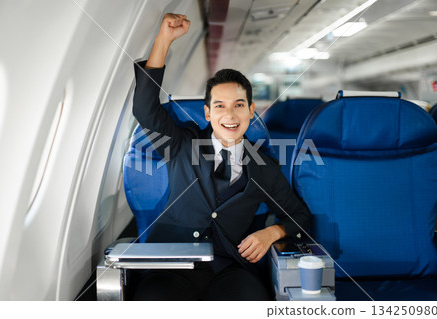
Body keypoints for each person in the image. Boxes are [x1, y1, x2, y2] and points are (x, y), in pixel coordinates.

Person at [131, 13, 311, 301]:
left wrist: (273, 232)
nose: (229, 115)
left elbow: (301, 218)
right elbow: (144, 109)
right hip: (171, 267)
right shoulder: (182, 143)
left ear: (251, 111)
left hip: (230, 271)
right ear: (207, 113)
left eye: (238, 105)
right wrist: (163, 41)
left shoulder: (263, 167)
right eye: (220, 106)